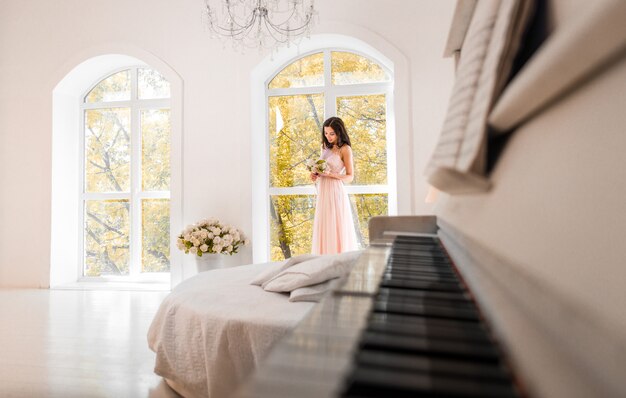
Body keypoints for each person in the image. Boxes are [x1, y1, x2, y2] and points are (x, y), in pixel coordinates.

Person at [310, 117, 359, 255]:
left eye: (331, 133)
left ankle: (337, 260)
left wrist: (331, 174)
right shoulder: (325, 147)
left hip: (335, 190)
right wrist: (316, 174)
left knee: (335, 224)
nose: (328, 136)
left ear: (339, 132)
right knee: (324, 224)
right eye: (326, 133)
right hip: (323, 190)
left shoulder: (345, 149)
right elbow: (322, 168)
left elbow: (350, 176)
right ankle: (324, 260)